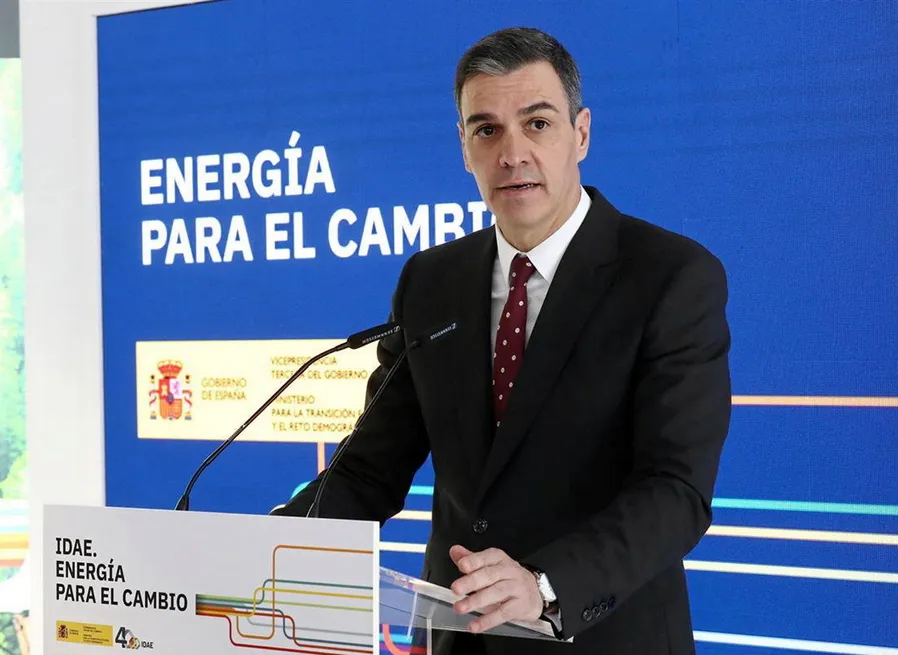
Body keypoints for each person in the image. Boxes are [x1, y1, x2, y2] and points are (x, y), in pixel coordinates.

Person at [274, 26, 732, 655]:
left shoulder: (669, 277)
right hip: (457, 638)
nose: (512, 153)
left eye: (537, 123)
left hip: (599, 637)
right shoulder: (430, 281)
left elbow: (675, 491)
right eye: (486, 129)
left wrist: (544, 584)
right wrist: (259, 551)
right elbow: (371, 469)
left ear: (582, 134)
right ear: (464, 149)